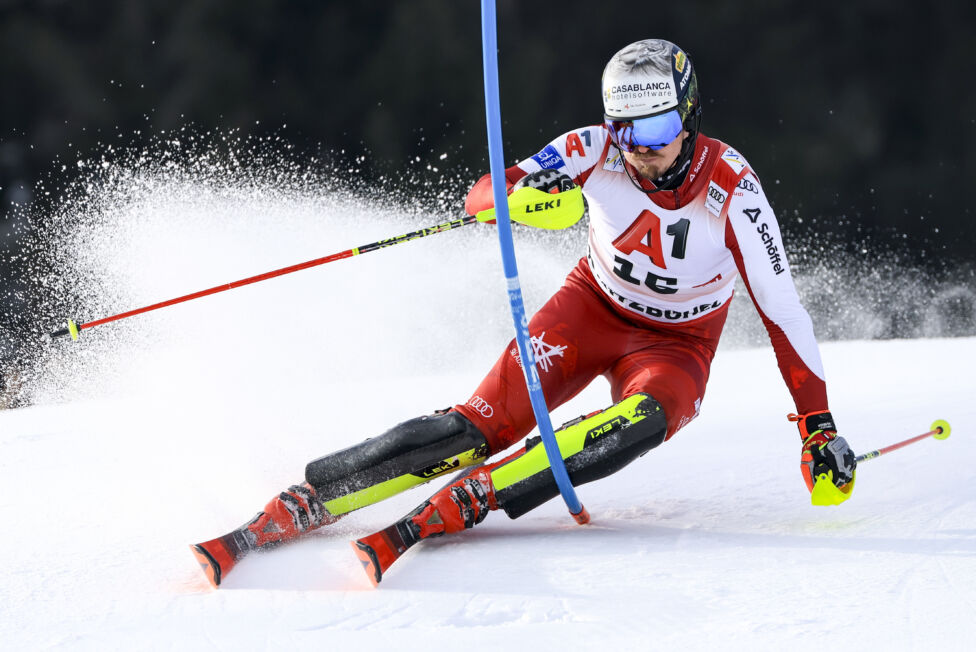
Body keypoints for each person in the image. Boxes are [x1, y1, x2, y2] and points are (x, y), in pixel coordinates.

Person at [191, 38, 857, 587]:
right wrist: (516, 199)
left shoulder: (732, 189)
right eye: (627, 131)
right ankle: (314, 496)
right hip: (590, 309)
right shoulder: (593, 150)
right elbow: (484, 192)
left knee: (646, 419)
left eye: (657, 129)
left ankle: (482, 495)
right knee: (475, 427)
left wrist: (817, 427)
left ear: (688, 116)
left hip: (677, 345)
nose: (641, 149)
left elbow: (782, 311)